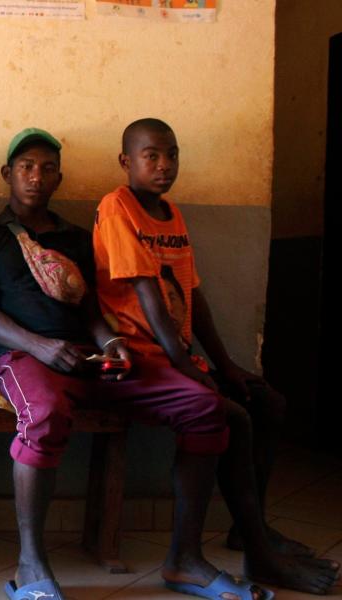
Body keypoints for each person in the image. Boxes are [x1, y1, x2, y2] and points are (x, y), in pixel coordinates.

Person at [0, 128, 280, 600]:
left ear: (59, 177)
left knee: (204, 405)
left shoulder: (78, 239)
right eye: (25, 167)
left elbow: (92, 312)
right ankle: (30, 566)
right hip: (25, 356)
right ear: (7, 174)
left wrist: (113, 343)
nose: (36, 177)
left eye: (46, 168)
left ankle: (185, 560)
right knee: (43, 414)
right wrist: (42, 347)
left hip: (89, 358)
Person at [93, 118, 340, 595]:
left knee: (265, 401)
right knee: (233, 417)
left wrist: (224, 366)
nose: (165, 166)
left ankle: (249, 530)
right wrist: (191, 371)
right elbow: (146, 293)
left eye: (173, 155)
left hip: (176, 356)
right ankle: (235, 556)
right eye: (152, 156)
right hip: (139, 358)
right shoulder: (117, 207)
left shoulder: (172, 214)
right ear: (126, 162)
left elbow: (192, 295)